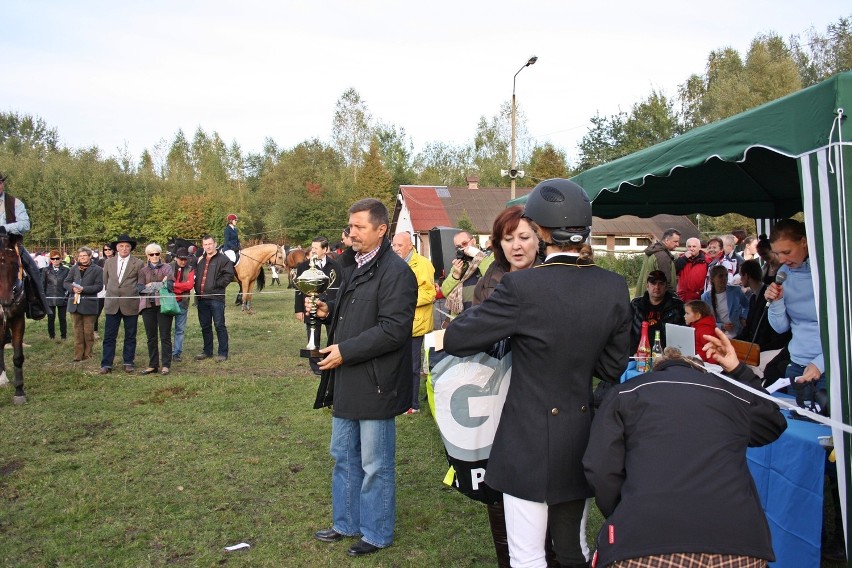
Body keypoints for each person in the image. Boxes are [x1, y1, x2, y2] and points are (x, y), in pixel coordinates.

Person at [444, 179, 632, 568]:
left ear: (543, 233)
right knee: (572, 550)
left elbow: (458, 337)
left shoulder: (521, 286)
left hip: (527, 437)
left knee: (527, 556)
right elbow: (612, 367)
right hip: (579, 434)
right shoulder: (614, 287)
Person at [583, 329, 786, 568]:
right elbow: (773, 420)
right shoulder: (729, 394)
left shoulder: (626, 393)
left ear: (658, 367)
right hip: (739, 546)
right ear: (699, 369)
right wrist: (738, 369)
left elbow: (600, 466)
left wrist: (625, 509)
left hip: (646, 544)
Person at [309, 198, 417, 557]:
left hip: (377, 382)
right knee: (343, 455)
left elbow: (394, 330)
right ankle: (346, 523)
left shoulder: (396, 273)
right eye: (350, 226)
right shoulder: (353, 266)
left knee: (375, 464)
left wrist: (346, 351)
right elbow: (353, 315)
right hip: (348, 378)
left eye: (358, 227)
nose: (350, 232)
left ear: (381, 229)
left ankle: (376, 532)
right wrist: (327, 312)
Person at [453, 205, 548, 568]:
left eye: (524, 237)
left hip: (539, 398)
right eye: (508, 239)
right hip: (494, 395)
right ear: (497, 243)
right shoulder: (490, 280)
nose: (516, 246)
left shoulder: (550, 277)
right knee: (498, 489)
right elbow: (471, 329)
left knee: (542, 503)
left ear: (538, 240)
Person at [764, 219, 826, 402]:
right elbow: (780, 328)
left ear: (804, 242)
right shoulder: (784, 272)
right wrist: (776, 301)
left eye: (787, 252)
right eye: (777, 253)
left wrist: (821, 363)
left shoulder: (828, 272)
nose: (782, 259)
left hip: (831, 366)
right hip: (797, 363)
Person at [391, 231, 435, 414]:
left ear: (410, 245)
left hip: (416, 324)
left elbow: (429, 293)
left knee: (412, 366)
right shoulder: (395, 263)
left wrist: (404, 301)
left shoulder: (423, 264)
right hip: (398, 323)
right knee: (399, 363)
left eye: (399, 245)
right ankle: (400, 399)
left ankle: (413, 404)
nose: (396, 249)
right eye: (394, 245)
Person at [0, 172, 48, 319]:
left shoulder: (15, 203)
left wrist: (4, 228)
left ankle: (36, 305)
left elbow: (25, 225)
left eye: (0, 182)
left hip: (11, 245)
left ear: (3, 184)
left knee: (33, 269)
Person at [294, 236, 341, 375]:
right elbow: (298, 289)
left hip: (329, 308)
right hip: (310, 307)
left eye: (316, 248)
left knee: (333, 335)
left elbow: (339, 288)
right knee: (313, 336)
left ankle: (331, 362)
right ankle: (316, 366)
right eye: (312, 247)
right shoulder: (303, 266)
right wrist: (298, 309)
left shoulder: (336, 266)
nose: (312, 251)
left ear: (325, 249)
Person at [100, 234, 145, 374]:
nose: (124, 248)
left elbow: (141, 284)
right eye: (121, 246)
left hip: (130, 304)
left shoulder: (138, 263)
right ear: (116, 248)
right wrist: (114, 292)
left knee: (130, 335)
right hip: (112, 303)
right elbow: (106, 281)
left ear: (131, 248)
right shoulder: (109, 262)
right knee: (109, 336)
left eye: (127, 246)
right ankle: (106, 364)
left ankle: (128, 362)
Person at [194, 234, 234, 362]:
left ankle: (222, 352)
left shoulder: (223, 259)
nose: (208, 246)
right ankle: (207, 351)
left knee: (219, 325)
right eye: (205, 244)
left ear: (215, 244)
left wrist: (216, 285)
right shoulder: (200, 260)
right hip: (201, 297)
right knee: (205, 326)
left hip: (216, 298)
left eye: (210, 244)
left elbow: (228, 275)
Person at [137, 243, 174, 376]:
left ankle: (166, 365)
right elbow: (140, 289)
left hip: (163, 306)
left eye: (157, 253)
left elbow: (169, 285)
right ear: (147, 256)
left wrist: (151, 284)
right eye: (151, 254)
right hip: (148, 307)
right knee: (151, 337)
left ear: (160, 254)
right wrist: (160, 284)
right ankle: (153, 365)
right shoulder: (142, 271)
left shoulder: (167, 267)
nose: (154, 256)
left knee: (165, 336)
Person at [629, 270, 685, 354]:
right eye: (653, 283)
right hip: (639, 353)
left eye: (661, 284)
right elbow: (628, 330)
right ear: (647, 286)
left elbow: (683, 333)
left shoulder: (678, 306)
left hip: (668, 355)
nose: (657, 287)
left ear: (666, 286)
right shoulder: (635, 304)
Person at [441, 230, 494, 318]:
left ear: (473, 241)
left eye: (465, 243)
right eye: (458, 247)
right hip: (461, 319)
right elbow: (445, 291)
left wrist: (478, 256)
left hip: (484, 317)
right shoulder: (461, 263)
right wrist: (455, 275)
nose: (462, 248)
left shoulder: (489, 257)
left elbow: (493, 276)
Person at [64, 247, 103, 362]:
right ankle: (78, 355)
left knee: (88, 331)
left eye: (84, 256)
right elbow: (66, 282)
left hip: (89, 304)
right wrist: (72, 288)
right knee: (77, 331)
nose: (82, 258)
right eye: (80, 256)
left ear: (90, 256)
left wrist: (83, 289)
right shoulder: (74, 269)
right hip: (74, 304)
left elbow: (99, 286)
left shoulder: (97, 270)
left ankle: (88, 354)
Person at [702, 264, 749, 339]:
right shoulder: (705, 297)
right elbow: (705, 320)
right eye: (720, 276)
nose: (724, 278)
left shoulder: (736, 290)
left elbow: (747, 306)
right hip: (717, 335)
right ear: (712, 279)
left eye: (726, 275)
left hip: (737, 333)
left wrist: (743, 317)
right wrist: (721, 326)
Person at [634, 228, 680, 298]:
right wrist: (672, 297)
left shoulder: (653, 251)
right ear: (667, 240)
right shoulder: (662, 256)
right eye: (675, 241)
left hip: (647, 296)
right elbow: (665, 282)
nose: (678, 244)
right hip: (656, 299)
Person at [169, 248, 195, 363]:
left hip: (182, 303)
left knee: (180, 329)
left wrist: (175, 286)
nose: (183, 262)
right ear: (176, 258)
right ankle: (167, 352)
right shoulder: (168, 267)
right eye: (181, 259)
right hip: (169, 302)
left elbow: (189, 286)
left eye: (185, 259)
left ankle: (177, 353)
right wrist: (181, 286)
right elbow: (166, 284)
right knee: (166, 330)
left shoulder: (190, 269)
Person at [41, 249, 69, 341]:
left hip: (62, 297)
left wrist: (67, 295)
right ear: (50, 260)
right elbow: (43, 284)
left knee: (62, 318)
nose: (55, 260)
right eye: (53, 259)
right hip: (50, 297)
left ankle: (63, 336)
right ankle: (52, 336)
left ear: (61, 259)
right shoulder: (46, 270)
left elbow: (69, 283)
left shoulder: (66, 270)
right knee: (51, 318)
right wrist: (43, 297)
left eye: (57, 258)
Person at [674, 237, 707, 302]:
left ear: (699, 247)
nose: (691, 249)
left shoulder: (706, 260)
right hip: (682, 297)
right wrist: (684, 258)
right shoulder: (681, 258)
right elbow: (673, 270)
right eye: (689, 246)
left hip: (698, 298)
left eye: (694, 246)